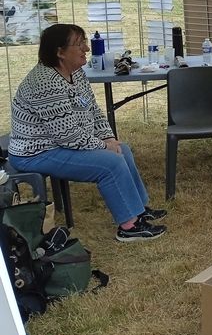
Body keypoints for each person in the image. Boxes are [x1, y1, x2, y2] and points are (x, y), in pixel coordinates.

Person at [7, 24, 167, 242]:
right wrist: (103, 146)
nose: (87, 49)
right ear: (60, 52)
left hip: (59, 144)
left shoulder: (76, 73)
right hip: (35, 153)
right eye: (79, 44)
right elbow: (68, 136)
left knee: (123, 150)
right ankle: (128, 227)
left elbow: (93, 110)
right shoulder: (44, 83)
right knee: (110, 163)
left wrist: (108, 138)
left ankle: (138, 210)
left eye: (84, 42)